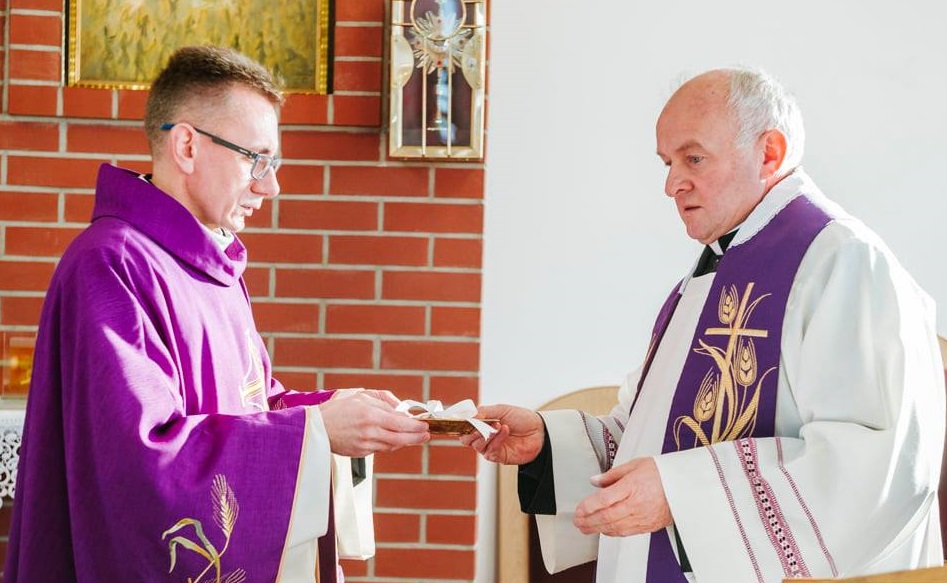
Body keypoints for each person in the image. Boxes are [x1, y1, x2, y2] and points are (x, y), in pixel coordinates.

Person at [463, 67, 946, 582]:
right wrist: (549, 440)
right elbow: (653, 438)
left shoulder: (844, 263)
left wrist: (680, 493)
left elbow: (879, 466)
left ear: (770, 153)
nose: (672, 183)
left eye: (693, 158)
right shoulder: (710, 276)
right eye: (667, 162)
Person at [4, 45, 431, 583]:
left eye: (273, 163)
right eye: (257, 158)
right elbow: (142, 462)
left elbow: (251, 403)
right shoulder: (111, 266)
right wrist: (315, 431)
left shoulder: (213, 264)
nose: (270, 185)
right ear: (186, 145)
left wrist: (342, 411)